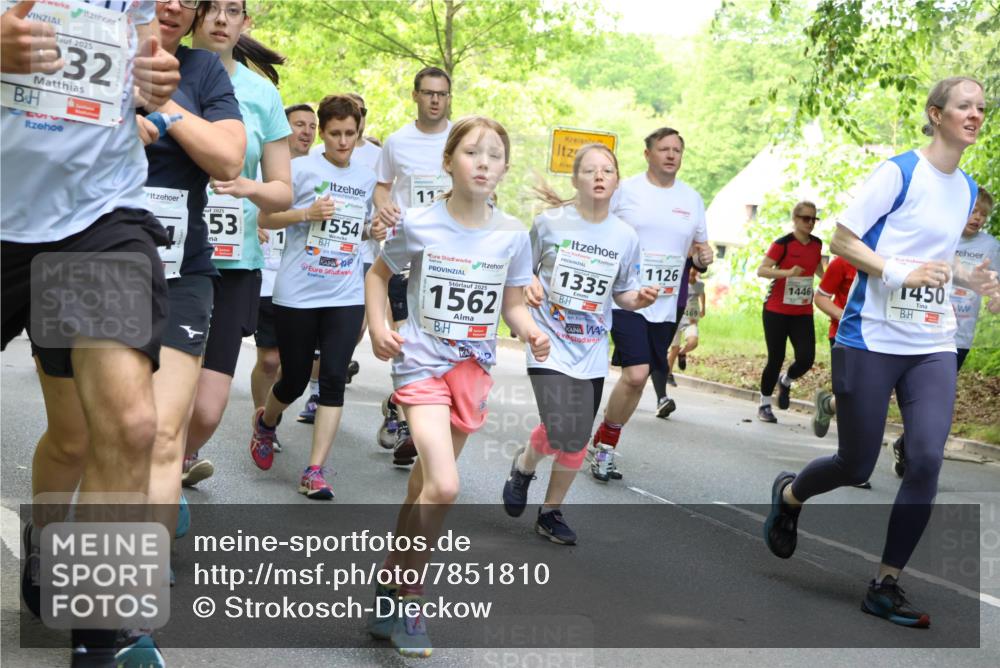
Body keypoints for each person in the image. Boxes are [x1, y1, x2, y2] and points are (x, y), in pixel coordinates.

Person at [764, 77, 998, 628]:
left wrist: (972, 278)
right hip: (870, 336)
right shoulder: (900, 172)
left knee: (926, 460)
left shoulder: (966, 188)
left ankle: (885, 583)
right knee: (855, 463)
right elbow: (844, 240)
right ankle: (792, 496)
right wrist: (898, 270)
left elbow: (937, 260)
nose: (975, 115)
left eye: (982, 108)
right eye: (965, 106)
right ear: (936, 113)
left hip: (932, 342)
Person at [3, 1, 181, 663]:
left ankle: (97, 643)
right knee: (72, 434)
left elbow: (139, 63)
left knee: (131, 425)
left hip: (99, 215)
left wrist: (150, 78)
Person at [363, 116, 549, 657]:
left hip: (472, 370)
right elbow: (379, 276)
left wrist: (532, 332)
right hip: (420, 364)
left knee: (422, 488)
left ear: (505, 168)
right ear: (449, 162)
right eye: (472, 152)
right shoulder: (418, 222)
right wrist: (379, 325)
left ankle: (389, 586)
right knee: (444, 487)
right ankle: (413, 599)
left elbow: (513, 301)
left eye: (494, 154)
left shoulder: (513, 234)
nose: (484, 162)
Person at [121, 0, 247, 662]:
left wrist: (166, 110)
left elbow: (228, 158)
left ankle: (131, 624)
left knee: (163, 435)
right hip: (89, 263)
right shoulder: (94, 45)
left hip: (181, 273)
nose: (171, 5)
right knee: (94, 437)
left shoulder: (202, 72)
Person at [502, 144, 656, 544]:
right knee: (560, 426)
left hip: (590, 350)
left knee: (573, 436)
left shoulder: (625, 236)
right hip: (547, 341)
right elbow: (521, 271)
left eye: (607, 170)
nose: (600, 176)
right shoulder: (550, 224)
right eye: (590, 171)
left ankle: (550, 511)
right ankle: (524, 466)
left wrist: (637, 300)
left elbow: (623, 293)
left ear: (617, 180)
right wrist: (530, 282)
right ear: (575, 180)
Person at [182, 0, 293, 486]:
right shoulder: (160, 70)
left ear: (245, 22)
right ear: (190, 15)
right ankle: (160, 484)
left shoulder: (260, 93)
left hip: (233, 261)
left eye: (233, 10)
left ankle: (178, 455)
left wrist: (249, 188)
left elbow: (282, 190)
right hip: (165, 254)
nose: (221, 19)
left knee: (207, 409)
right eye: (210, 8)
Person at [253, 95, 376, 498]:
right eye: (335, 134)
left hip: (344, 292)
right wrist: (307, 214)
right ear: (322, 133)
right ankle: (266, 424)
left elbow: (353, 228)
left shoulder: (367, 176)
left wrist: (369, 232)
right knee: (292, 380)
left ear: (359, 133)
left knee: (334, 379)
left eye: (350, 134)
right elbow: (267, 218)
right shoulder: (300, 169)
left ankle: (314, 470)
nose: (343, 142)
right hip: (298, 293)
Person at [588, 127, 713, 481]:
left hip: (667, 302)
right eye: (664, 149)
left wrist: (704, 257)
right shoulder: (625, 191)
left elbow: (699, 251)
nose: (671, 155)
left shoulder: (692, 199)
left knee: (638, 383)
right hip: (625, 297)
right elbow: (598, 229)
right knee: (637, 372)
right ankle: (606, 449)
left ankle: (604, 439)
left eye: (677, 149)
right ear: (648, 154)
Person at [372, 67, 454, 465]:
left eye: (442, 94)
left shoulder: (461, 140)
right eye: (428, 93)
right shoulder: (397, 141)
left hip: (449, 260)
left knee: (436, 343)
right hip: (405, 252)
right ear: (415, 96)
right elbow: (383, 184)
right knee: (406, 337)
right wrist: (383, 206)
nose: (435, 100)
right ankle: (410, 423)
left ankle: (399, 402)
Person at [890, 187, 998, 477]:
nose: (978, 218)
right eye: (974, 211)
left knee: (935, 402)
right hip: (922, 329)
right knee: (915, 397)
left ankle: (907, 446)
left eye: (983, 215)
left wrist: (996, 298)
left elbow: (994, 286)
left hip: (959, 335)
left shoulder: (990, 246)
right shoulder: (938, 237)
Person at [250, 103, 315, 436]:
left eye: (312, 126)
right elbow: (241, 201)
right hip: (265, 274)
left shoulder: (319, 172)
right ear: (284, 129)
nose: (306, 131)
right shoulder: (264, 169)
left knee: (292, 367)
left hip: (302, 279)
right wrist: (252, 223)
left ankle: (270, 416)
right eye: (299, 124)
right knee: (269, 359)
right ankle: (262, 422)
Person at [755, 201, 825, 423]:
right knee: (776, 358)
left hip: (803, 310)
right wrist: (787, 272)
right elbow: (762, 270)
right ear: (795, 219)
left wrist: (832, 282)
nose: (811, 223)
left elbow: (819, 269)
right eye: (806, 218)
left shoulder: (817, 244)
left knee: (806, 358)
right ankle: (765, 404)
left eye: (814, 219)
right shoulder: (782, 244)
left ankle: (785, 382)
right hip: (776, 310)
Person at [666, 266, 706, 384]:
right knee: (674, 348)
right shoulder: (678, 283)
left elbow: (702, 294)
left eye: (694, 272)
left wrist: (703, 308)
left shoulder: (699, 285)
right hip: (676, 317)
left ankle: (682, 353)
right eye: (690, 272)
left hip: (691, 318)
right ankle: (668, 375)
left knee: (693, 342)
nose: (692, 274)